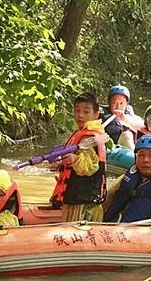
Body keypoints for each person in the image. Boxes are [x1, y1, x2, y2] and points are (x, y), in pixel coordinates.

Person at [50, 92, 107, 222]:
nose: (80, 115)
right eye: (77, 111)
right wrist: (61, 165)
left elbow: (90, 166)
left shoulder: (91, 137)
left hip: (84, 203)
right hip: (76, 198)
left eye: (86, 112)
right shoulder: (80, 133)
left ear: (96, 115)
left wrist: (75, 160)